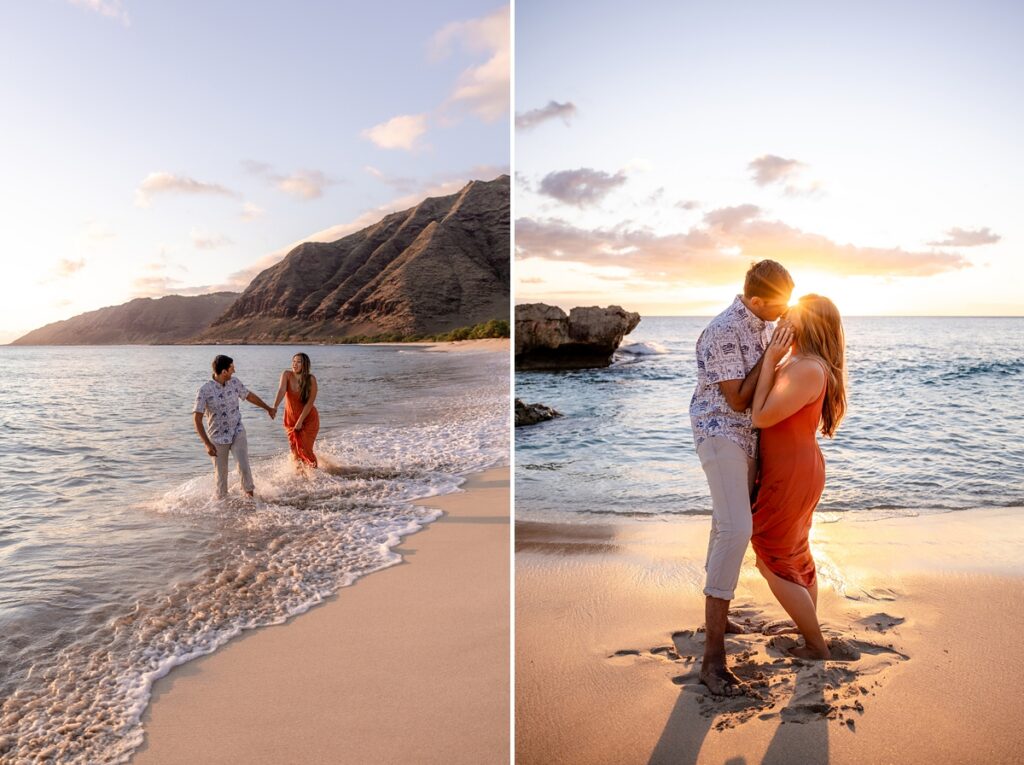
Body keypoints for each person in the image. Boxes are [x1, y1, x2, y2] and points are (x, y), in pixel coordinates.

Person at [689, 259, 794, 696]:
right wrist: (773, 355)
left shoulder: (763, 325)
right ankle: (713, 659)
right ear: (754, 299)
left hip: (747, 437)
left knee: (723, 525)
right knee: (736, 529)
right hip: (720, 433)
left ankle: (718, 619)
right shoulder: (723, 330)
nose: (783, 311)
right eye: (778, 304)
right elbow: (735, 400)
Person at [750, 294, 847, 660]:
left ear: (811, 323)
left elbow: (761, 416)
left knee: (769, 555)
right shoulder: (800, 362)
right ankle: (807, 627)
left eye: (795, 312)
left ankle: (815, 644)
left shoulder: (807, 368)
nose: (787, 315)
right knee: (795, 553)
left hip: (792, 471)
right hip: (794, 467)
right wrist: (775, 359)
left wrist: (770, 360)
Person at [192, 354, 276, 499]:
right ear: (224, 371)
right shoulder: (204, 390)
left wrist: (267, 408)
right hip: (217, 437)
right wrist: (206, 443)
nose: (234, 371)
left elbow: (249, 396)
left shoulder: (234, 382)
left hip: (237, 431)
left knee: (244, 466)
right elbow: (197, 419)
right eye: (232, 368)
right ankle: (222, 506)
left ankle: (250, 500)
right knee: (221, 475)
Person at [272, 352, 319, 468]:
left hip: (308, 419)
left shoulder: (311, 379)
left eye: (298, 362)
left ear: (305, 364)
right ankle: (299, 475)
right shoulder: (286, 375)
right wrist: (274, 407)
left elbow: (310, 403)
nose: (295, 364)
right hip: (290, 419)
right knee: (295, 451)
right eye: (293, 361)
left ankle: (316, 475)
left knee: (305, 449)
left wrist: (300, 421)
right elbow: (281, 390)